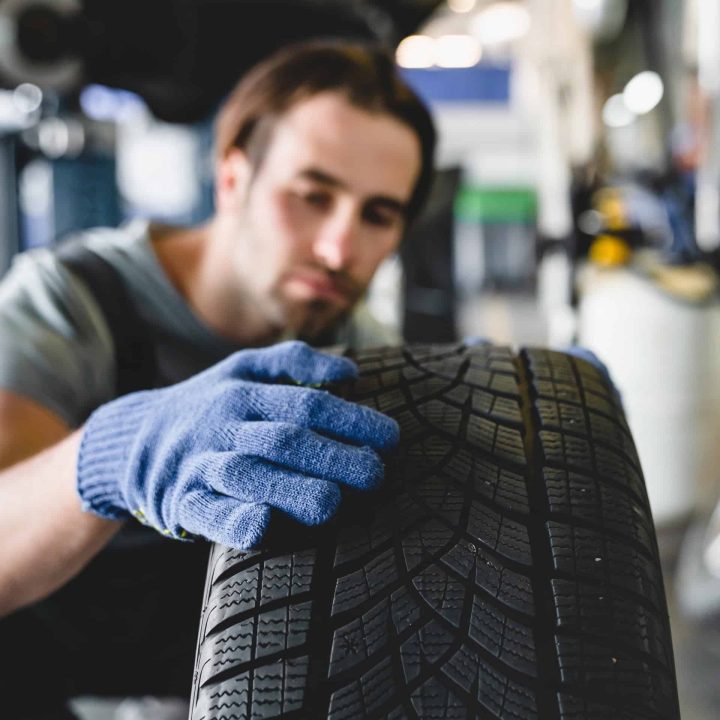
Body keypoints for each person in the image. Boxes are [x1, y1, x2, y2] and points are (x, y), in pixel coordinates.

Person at [0, 40, 436, 716]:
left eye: (377, 214)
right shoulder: (70, 302)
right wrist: (113, 456)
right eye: (312, 195)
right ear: (233, 178)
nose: (339, 249)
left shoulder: (359, 349)